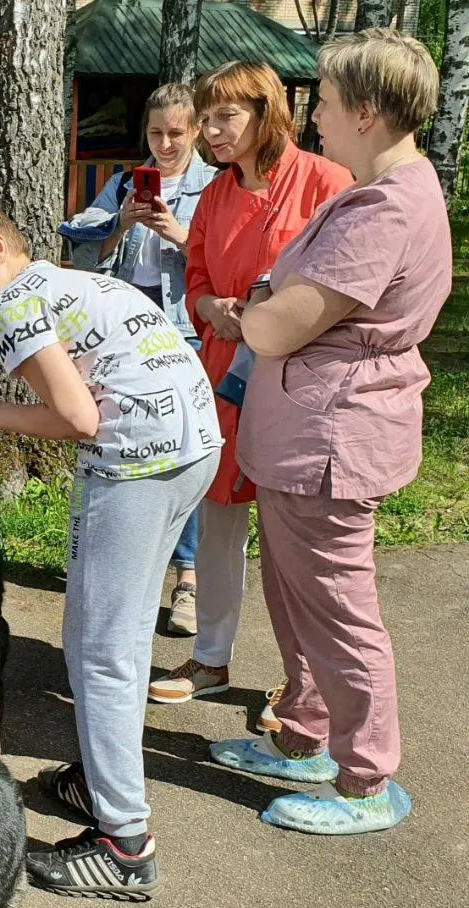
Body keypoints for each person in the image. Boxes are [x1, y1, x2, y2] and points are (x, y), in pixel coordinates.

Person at [0, 197, 222, 899]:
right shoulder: (79, 280)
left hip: (135, 465)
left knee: (99, 649)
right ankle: (101, 776)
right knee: (118, 632)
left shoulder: (14, 307)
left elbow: (78, 418)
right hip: (190, 449)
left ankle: (124, 844)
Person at [210, 30, 451, 835]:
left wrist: (262, 308)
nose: (313, 116)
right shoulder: (380, 190)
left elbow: (280, 327)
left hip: (331, 438)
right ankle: (309, 737)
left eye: (326, 99)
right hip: (309, 434)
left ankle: (364, 780)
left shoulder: (387, 202)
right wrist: (269, 300)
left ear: (370, 111)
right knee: (298, 595)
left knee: (340, 611)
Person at [147, 62, 353, 721]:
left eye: (224, 117)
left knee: (297, 542)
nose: (210, 131)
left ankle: (307, 690)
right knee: (219, 520)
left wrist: (275, 313)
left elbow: (347, 283)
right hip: (225, 378)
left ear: (267, 113)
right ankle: (210, 658)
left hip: (301, 386)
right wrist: (211, 310)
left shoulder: (326, 182)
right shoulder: (213, 195)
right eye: (205, 118)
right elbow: (197, 279)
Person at [60, 83, 217, 636]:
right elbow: (80, 246)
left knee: (185, 447)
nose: (166, 144)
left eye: (177, 132)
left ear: (197, 130)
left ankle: (190, 577)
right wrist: (123, 221)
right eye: (156, 133)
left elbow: (229, 259)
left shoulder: (215, 185)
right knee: (128, 445)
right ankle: (137, 567)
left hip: (187, 330)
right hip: (129, 331)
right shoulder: (126, 182)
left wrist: (180, 235)